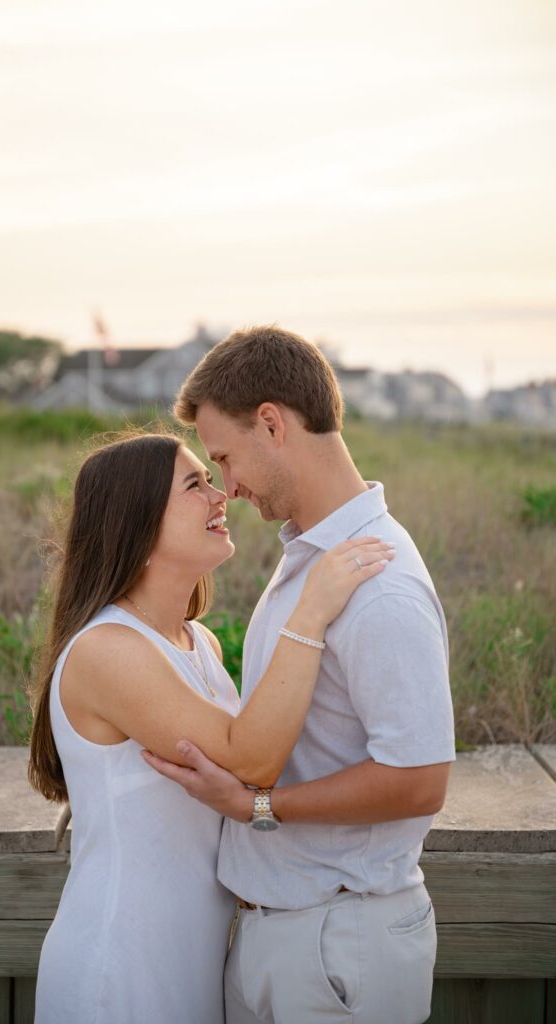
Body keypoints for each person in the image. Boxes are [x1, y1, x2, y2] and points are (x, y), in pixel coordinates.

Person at [143, 326, 456, 1024]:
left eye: (224, 457)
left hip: (338, 945)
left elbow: (419, 779)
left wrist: (258, 806)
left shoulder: (378, 584)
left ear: (272, 423)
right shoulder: (314, 557)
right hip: (283, 935)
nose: (227, 486)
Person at [28, 431, 394, 1024]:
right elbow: (250, 758)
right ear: (136, 525)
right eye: (194, 485)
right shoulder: (106, 650)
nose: (221, 494)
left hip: (194, 958)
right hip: (121, 965)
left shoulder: (197, 642)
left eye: (211, 478)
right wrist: (311, 610)